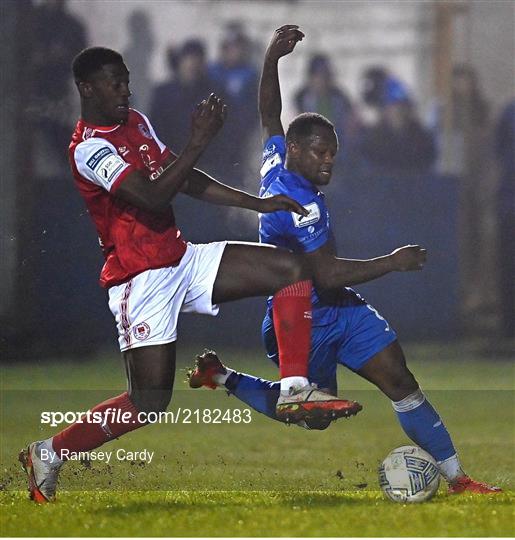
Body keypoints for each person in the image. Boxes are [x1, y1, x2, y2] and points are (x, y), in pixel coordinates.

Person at [19, 46, 361, 503]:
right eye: (114, 83)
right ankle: (49, 452)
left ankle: (295, 389)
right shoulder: (88, 149)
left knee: (291, 268)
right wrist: (199, 140)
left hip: (181, 258)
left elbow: (182, 178)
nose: (125, 90)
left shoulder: (136, 121)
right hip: (139, 280)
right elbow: (154, 197)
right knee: (148, 402)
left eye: (126, 80)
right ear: (86, 88)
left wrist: (255, 202)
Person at [187, 25, 501, 495]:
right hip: (300, 318)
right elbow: (327, 271)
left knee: (400, 378)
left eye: (333, 155)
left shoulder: (277, 159)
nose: (328, 164)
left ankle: (458, 479)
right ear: (298, 150)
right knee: (312, 418)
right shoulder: (301, 204)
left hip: (339, 308)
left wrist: (271, 59)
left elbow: (269, 115)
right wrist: (392, 262)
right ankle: (222, 377)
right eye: (320, 154)